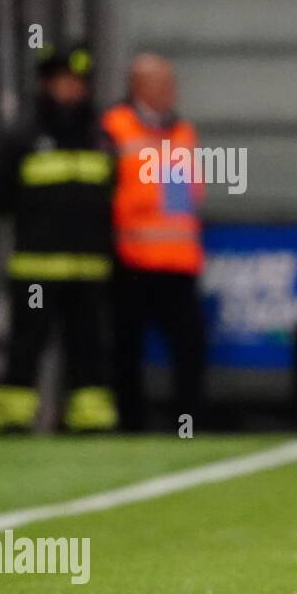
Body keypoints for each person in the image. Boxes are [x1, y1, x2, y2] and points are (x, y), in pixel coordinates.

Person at [0, 41, 118, 433]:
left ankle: (90, 418)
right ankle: (12, 417)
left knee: (89, 346)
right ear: (47, 84)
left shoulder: (100, 136)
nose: (72, 90)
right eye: (64, 82)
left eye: (78, 82)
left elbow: (115, 191)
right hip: (37, 268)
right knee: (26, 345)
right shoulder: (23, 135)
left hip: (89, 267)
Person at [103, 53, 207, 431]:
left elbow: (188, 197)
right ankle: (130, 425)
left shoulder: (182, 131)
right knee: (125, 349)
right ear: (139, 88)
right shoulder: (114, 129)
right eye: (162, 84)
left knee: (191, 347)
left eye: (171, 83)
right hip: (132, 259)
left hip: (179, 262)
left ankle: (189, 423)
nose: (170, 91)